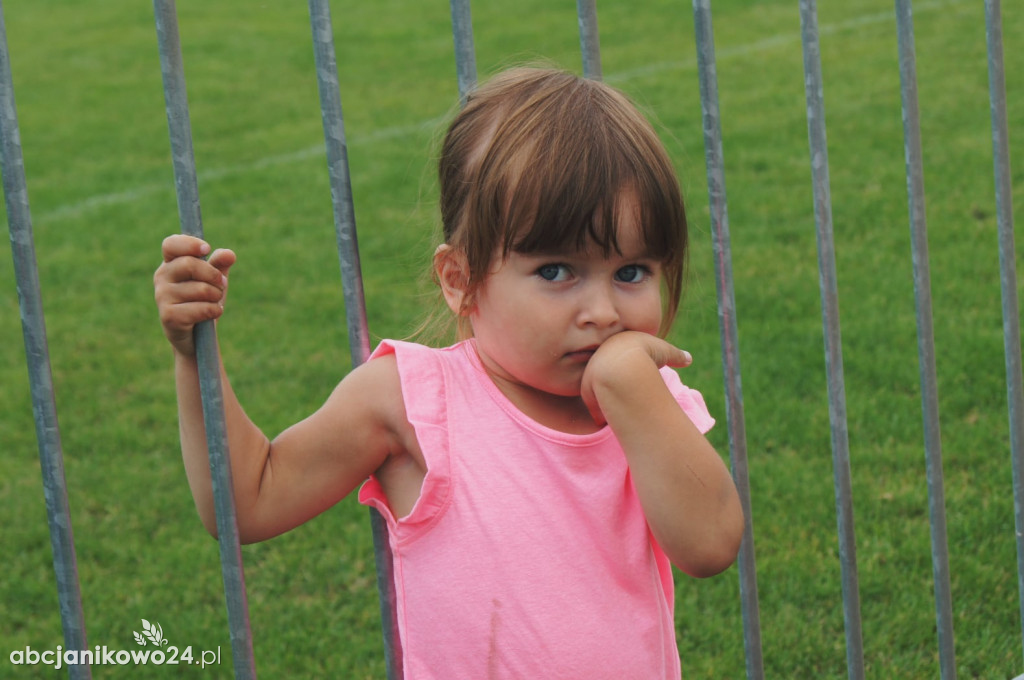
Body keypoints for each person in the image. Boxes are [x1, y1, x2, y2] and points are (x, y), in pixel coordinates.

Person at [154, 66, 744, 679]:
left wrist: (632, 390)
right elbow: (247, 500)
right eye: (555, 272)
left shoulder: (644, 397)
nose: (602, 313)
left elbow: (710, 545)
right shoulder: (411, 400)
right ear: (461, 281)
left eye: (632, 273)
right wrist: (194, 355)